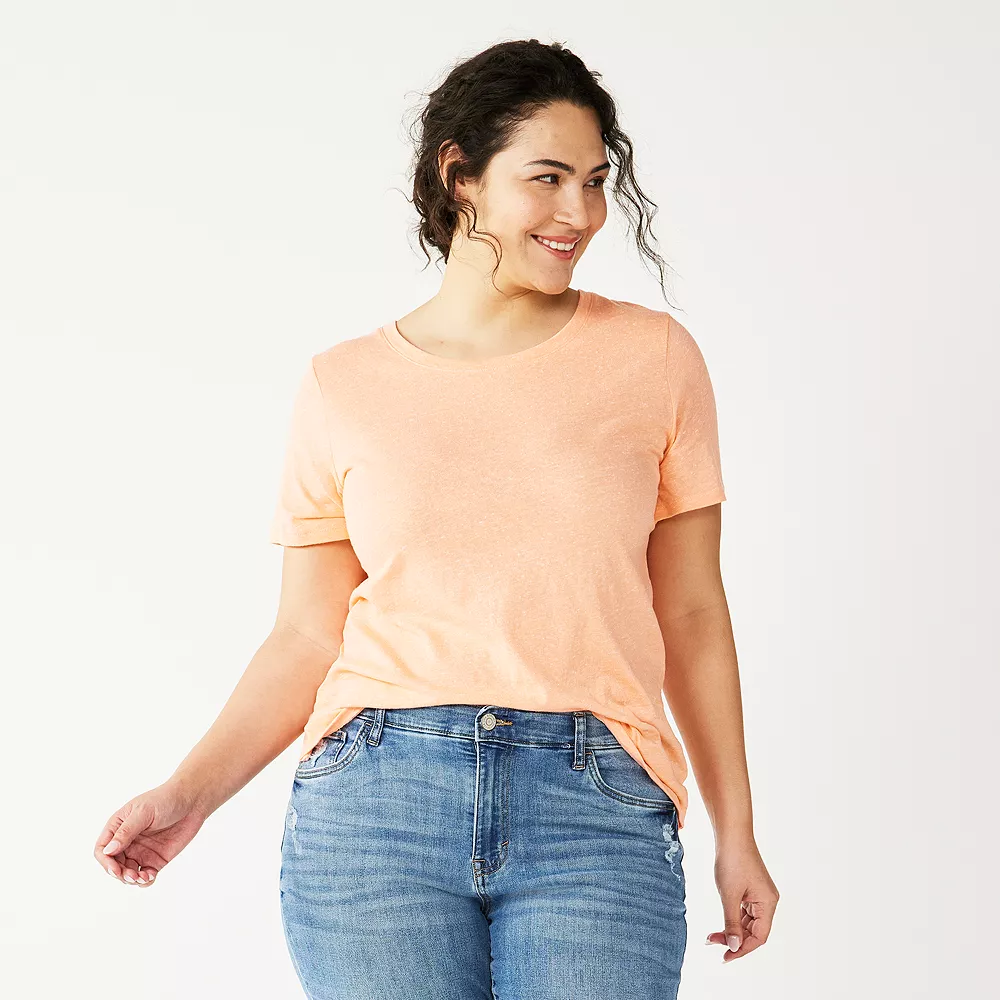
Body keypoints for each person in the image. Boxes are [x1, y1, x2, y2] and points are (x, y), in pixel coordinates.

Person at [93, 37, 778, 998]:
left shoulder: (655, 358)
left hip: (596, 804)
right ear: (461, 174)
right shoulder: (343, 384)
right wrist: (187, 794)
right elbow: (305, 635)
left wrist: (737, 833)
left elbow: (694, 611)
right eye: (546, 178)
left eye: (594, 182)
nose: (580, 213)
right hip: (376, 807)